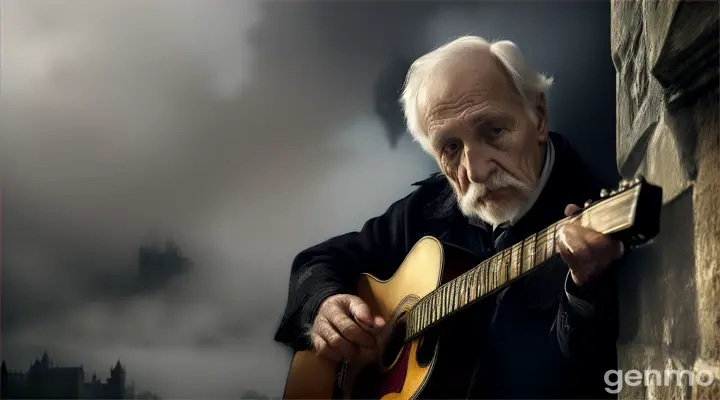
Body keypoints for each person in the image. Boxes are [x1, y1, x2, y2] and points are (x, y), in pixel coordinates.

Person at [274, 36, 622, 399]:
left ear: (538, 116)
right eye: (451, 148)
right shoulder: (430, 207)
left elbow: (588, 375)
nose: (476, 171)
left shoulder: (589, 217)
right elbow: (316, 262)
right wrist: (324, 305)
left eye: (494, 131)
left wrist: (585, 293)